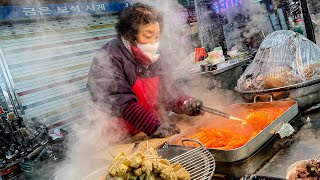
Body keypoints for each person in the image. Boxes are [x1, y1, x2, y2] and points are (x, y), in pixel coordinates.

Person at [87, 3, 203, 138]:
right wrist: (153, 126)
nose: (154, 42)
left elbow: (168, 91)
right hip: (120, 137)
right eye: (148, 36)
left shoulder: (155, 56)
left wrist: (185, 103)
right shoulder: (109, 57)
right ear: (130, 35)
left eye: (157, 36)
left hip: (148, 132)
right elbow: (121, 101)